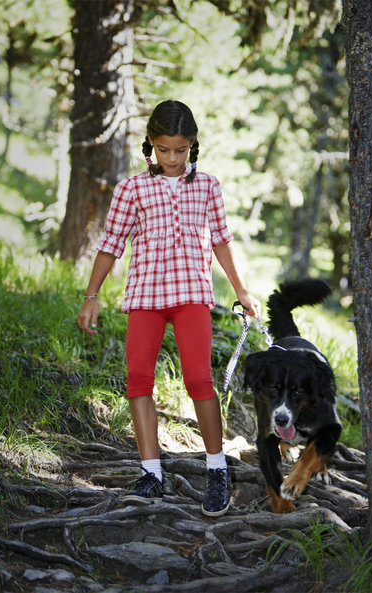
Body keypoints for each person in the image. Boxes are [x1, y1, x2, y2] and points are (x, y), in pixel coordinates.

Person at [77, 100, 260, 517]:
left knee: (198, 378)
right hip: (145, 296)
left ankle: (217, 470)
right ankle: (151, 474)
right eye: (164, 150)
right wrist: (92, 295)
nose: (172, 158)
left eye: (180, 150)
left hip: (192, 294)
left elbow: (220, 241)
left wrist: (241, 290)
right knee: (138, 378)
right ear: (151, 145)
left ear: (192, 145)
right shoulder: (131, 190)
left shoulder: (207, 186)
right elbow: (110, 247)